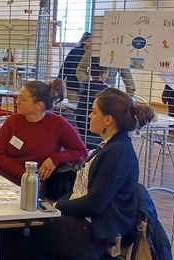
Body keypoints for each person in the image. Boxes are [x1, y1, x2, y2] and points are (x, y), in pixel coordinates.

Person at [25, 88, 155, 260]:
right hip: (82, 224)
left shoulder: (118, 152)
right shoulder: (110, 147)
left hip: (92, 235)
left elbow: (94, 204)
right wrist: (53, 206)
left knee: (21, 231)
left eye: (94, 112)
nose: (89, 116)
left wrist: (56, 206)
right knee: (23, 228)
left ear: (108, 120)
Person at [0, 78, 87, 189]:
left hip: (34, 186)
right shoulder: (12, 121)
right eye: (18, 97)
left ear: (38, 105)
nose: (17, 102)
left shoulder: (58, 124)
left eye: (22, 99)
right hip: (4, 177)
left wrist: (56, 158)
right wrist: (26, 175)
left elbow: (82, 152)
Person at [75, 62, 109, 149]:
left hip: (79, 132)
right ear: (103, 74)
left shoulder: (84, 87)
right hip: (96, 135)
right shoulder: (106, 91)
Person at [58, 32, 92, 102]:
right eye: (89, 41)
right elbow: (65, 66)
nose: (91, 44)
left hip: (86, 86)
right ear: (84, 41)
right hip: (72, 83)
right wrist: (59, 80)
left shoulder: (95, 53)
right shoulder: (75, 51)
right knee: (72, 104)